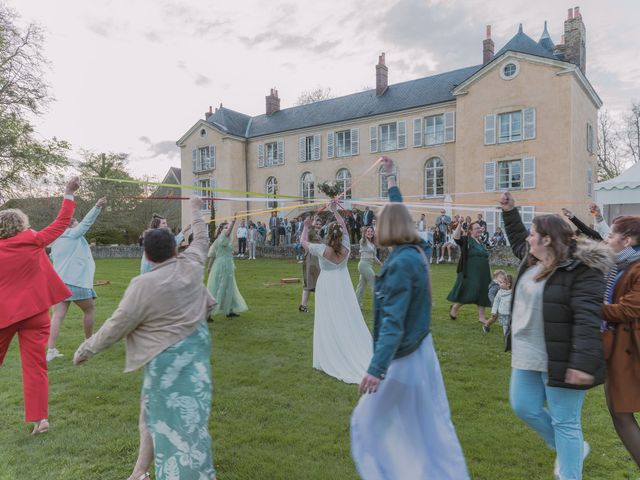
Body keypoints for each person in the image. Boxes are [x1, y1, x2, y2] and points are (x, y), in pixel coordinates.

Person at [73, 197, 217, 480]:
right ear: (176, 248)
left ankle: (179, 473)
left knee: (165, 420)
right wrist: (196, 210)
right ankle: (141, 470)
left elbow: (117, 325)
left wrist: (86, 349)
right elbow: (202, 238)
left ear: (147, 257)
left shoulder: (143, 284)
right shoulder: (192, 262)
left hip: (167, 360)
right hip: (197, 355)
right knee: (182, 418)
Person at [351, 156, 469, 479]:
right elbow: (398, 209)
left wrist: (376, 369)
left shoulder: (402, 264)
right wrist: (390, 178)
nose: (373, 228)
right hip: (419, 354)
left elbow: (392, 322)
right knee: (427, 427)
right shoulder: (414, 250)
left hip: (402, 361)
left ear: (388, 228)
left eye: (377, 222)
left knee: (364, 424)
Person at [500, 191, 609, 480]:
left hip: (562, 356)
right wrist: (510, 211)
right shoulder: (533, 260)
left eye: (533, 234)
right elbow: (516, 237)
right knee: (523, 406)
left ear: (547, 239)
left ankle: (570, 469)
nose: (528, 238)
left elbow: (588, 319)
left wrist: (582, 363)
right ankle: (567, 447)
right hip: (527, 353)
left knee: (565, 422)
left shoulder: (582, 270)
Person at [0, 176, 80, 435]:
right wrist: (68, 193)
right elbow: (61, 224)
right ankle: (41, 419)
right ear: (21, 225)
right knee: (35, 367)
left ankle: (41, 419)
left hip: (5, 316)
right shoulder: (32, 239)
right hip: (36, 313)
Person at [301, 202, 373, 384]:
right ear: (341, 235)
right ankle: (347, 342)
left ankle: (331, 348)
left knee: (327, 316)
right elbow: (347, 229)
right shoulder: (347, 247)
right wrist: (335, 211)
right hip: (343, 283)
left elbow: (303, 242)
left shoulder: (321, 249)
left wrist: (305, 227)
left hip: (326, 285)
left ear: (327, 234)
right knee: (345, 314)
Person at [46, 196, 108, 362]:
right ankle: (88, 343)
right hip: (77, 283)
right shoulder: (72, 234)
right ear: (71, 225)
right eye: (76, 223)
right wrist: (97, 206)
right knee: (89, 310)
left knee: (57, 316)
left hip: (59, 284)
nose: (79, 225)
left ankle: (50, 351)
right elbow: (86, 224)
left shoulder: (56, 241)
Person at [601, 216, 640, 467]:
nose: (606, 239)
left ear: (626, 240)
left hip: (630, 350)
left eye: (611, 235)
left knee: (621, 412)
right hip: (618, 349)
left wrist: (588, 306)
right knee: (619, 411)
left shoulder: (636, 268)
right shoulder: (622, 264)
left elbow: (627, 310)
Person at [447, 220, 492, 326]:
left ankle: (482, 317)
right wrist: (459, 224)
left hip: (483, 273)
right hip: (470, 272)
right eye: (476, 228)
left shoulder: (480, 242)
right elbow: (456, 237)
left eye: (480, 228)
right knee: (471, 291)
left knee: (483, 293)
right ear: (470, 231)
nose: (479, 230)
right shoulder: (466, 240)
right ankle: (455, 307)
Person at [207, 214, 248, 318]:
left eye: (227, 227)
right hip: (223, 266)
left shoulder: (222, 240)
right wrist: (233, 221)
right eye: (225, 227)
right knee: (220, 287)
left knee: (229, 287)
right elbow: (212, 255)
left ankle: (229, 310)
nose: (227, 229)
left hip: (227, 265)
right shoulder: (223, 236)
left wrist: (209, 267)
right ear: (222, 230)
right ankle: (207, 313)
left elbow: (212, 255)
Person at [355, 225, 382, 308]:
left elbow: (374, 257)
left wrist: (381, 264)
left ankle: (356, 303)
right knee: (374, 282)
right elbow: (363, 238)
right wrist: (363, 232)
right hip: (363, 264)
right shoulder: (363, 241)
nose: (370, 233)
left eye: (371, 231)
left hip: (369, 265)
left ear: (373, 233)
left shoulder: (372, 244)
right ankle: (379, 305)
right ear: (365, 233)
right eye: (368, 231)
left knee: (361, 286)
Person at [299, 216, 322, 312]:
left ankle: (304, 306)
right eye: (317, 224)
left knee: (315, 284)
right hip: (311, 260)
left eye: (320, 224)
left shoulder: (318, 235)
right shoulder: (311, 233)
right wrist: (313, 222)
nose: (318, 226)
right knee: (310, 284)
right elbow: (310, 232)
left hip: (317, 261)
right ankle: (303, 305)